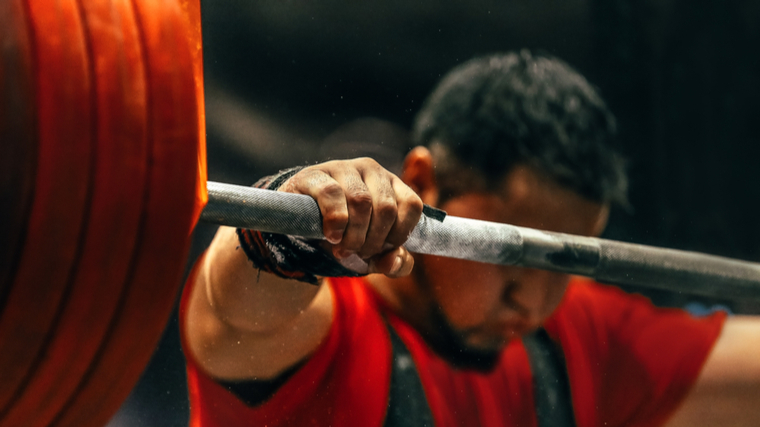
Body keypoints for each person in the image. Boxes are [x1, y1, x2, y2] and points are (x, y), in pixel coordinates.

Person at [180, 51, 760, 427]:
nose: (530, 303)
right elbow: (237, 302)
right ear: (424, 181)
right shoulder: (320, 334)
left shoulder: (580, 337)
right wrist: (292, 217)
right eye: (513, 258)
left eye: (561, 265)